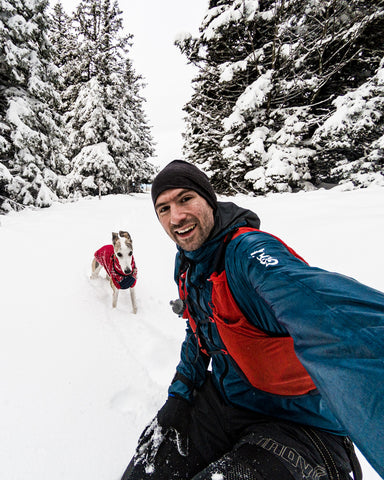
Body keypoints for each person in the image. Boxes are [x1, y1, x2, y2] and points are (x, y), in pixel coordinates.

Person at [121, 160, 384, 480]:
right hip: (227, 401)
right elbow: (198, 331)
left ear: (209, 199)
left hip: (302, 424)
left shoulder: (248, 254)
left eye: (185, 198)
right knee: (144, 470)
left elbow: (335, 314)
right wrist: (179, 395)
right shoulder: (188, 263)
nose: (175, 217)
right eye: (163, 208)